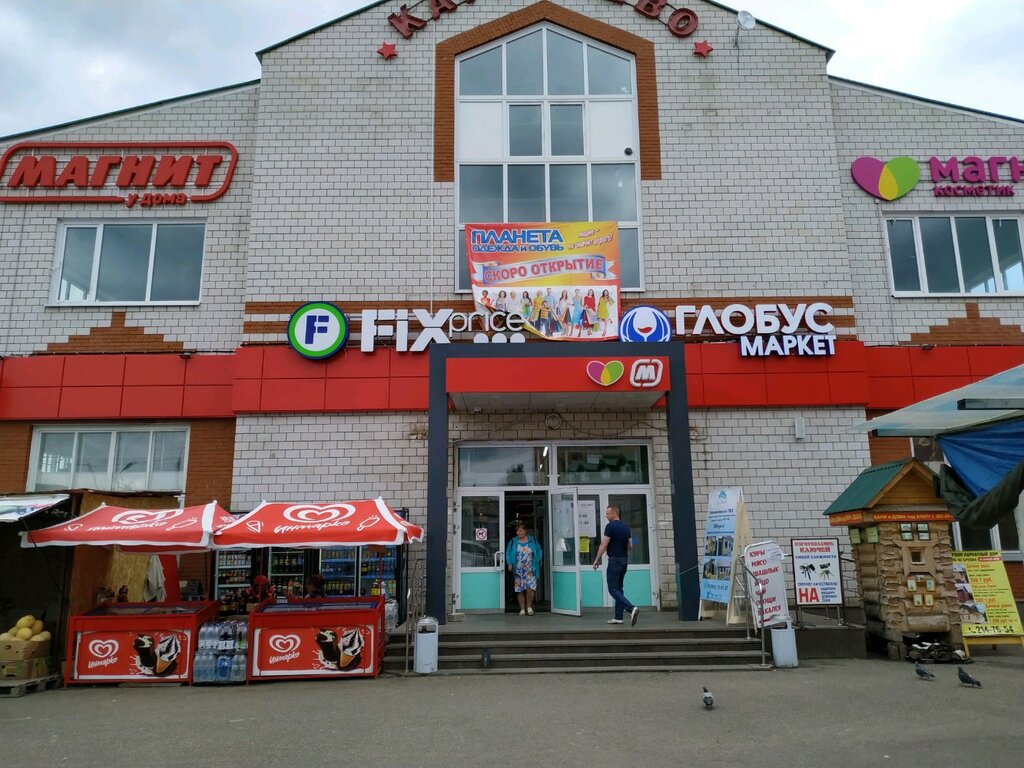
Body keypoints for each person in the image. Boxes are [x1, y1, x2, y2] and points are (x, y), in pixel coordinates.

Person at [592, 505, 639, 626]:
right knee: (619, 589)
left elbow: (604, 544)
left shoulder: (610, 526)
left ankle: (631, 608)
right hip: (624, 561)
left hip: (614, 561)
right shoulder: (626, 527)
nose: (606, 516)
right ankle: (618, 617)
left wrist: (597, 559)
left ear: (615, 513)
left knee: (612, 589)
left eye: (608, 513)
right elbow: (630, 546)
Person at [505, 524, 542, 616]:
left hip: (530, 570)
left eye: (520, 530)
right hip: (518, 570)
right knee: (520, 589)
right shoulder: (513, 541)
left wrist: (538, 559)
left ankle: (528, 607)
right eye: (517, 531)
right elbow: (508, 553)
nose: (518, 532)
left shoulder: (532, 540)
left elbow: (539, 550)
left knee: (530, 588)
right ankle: (522, 609)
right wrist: (509, 563)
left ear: (525, 531)